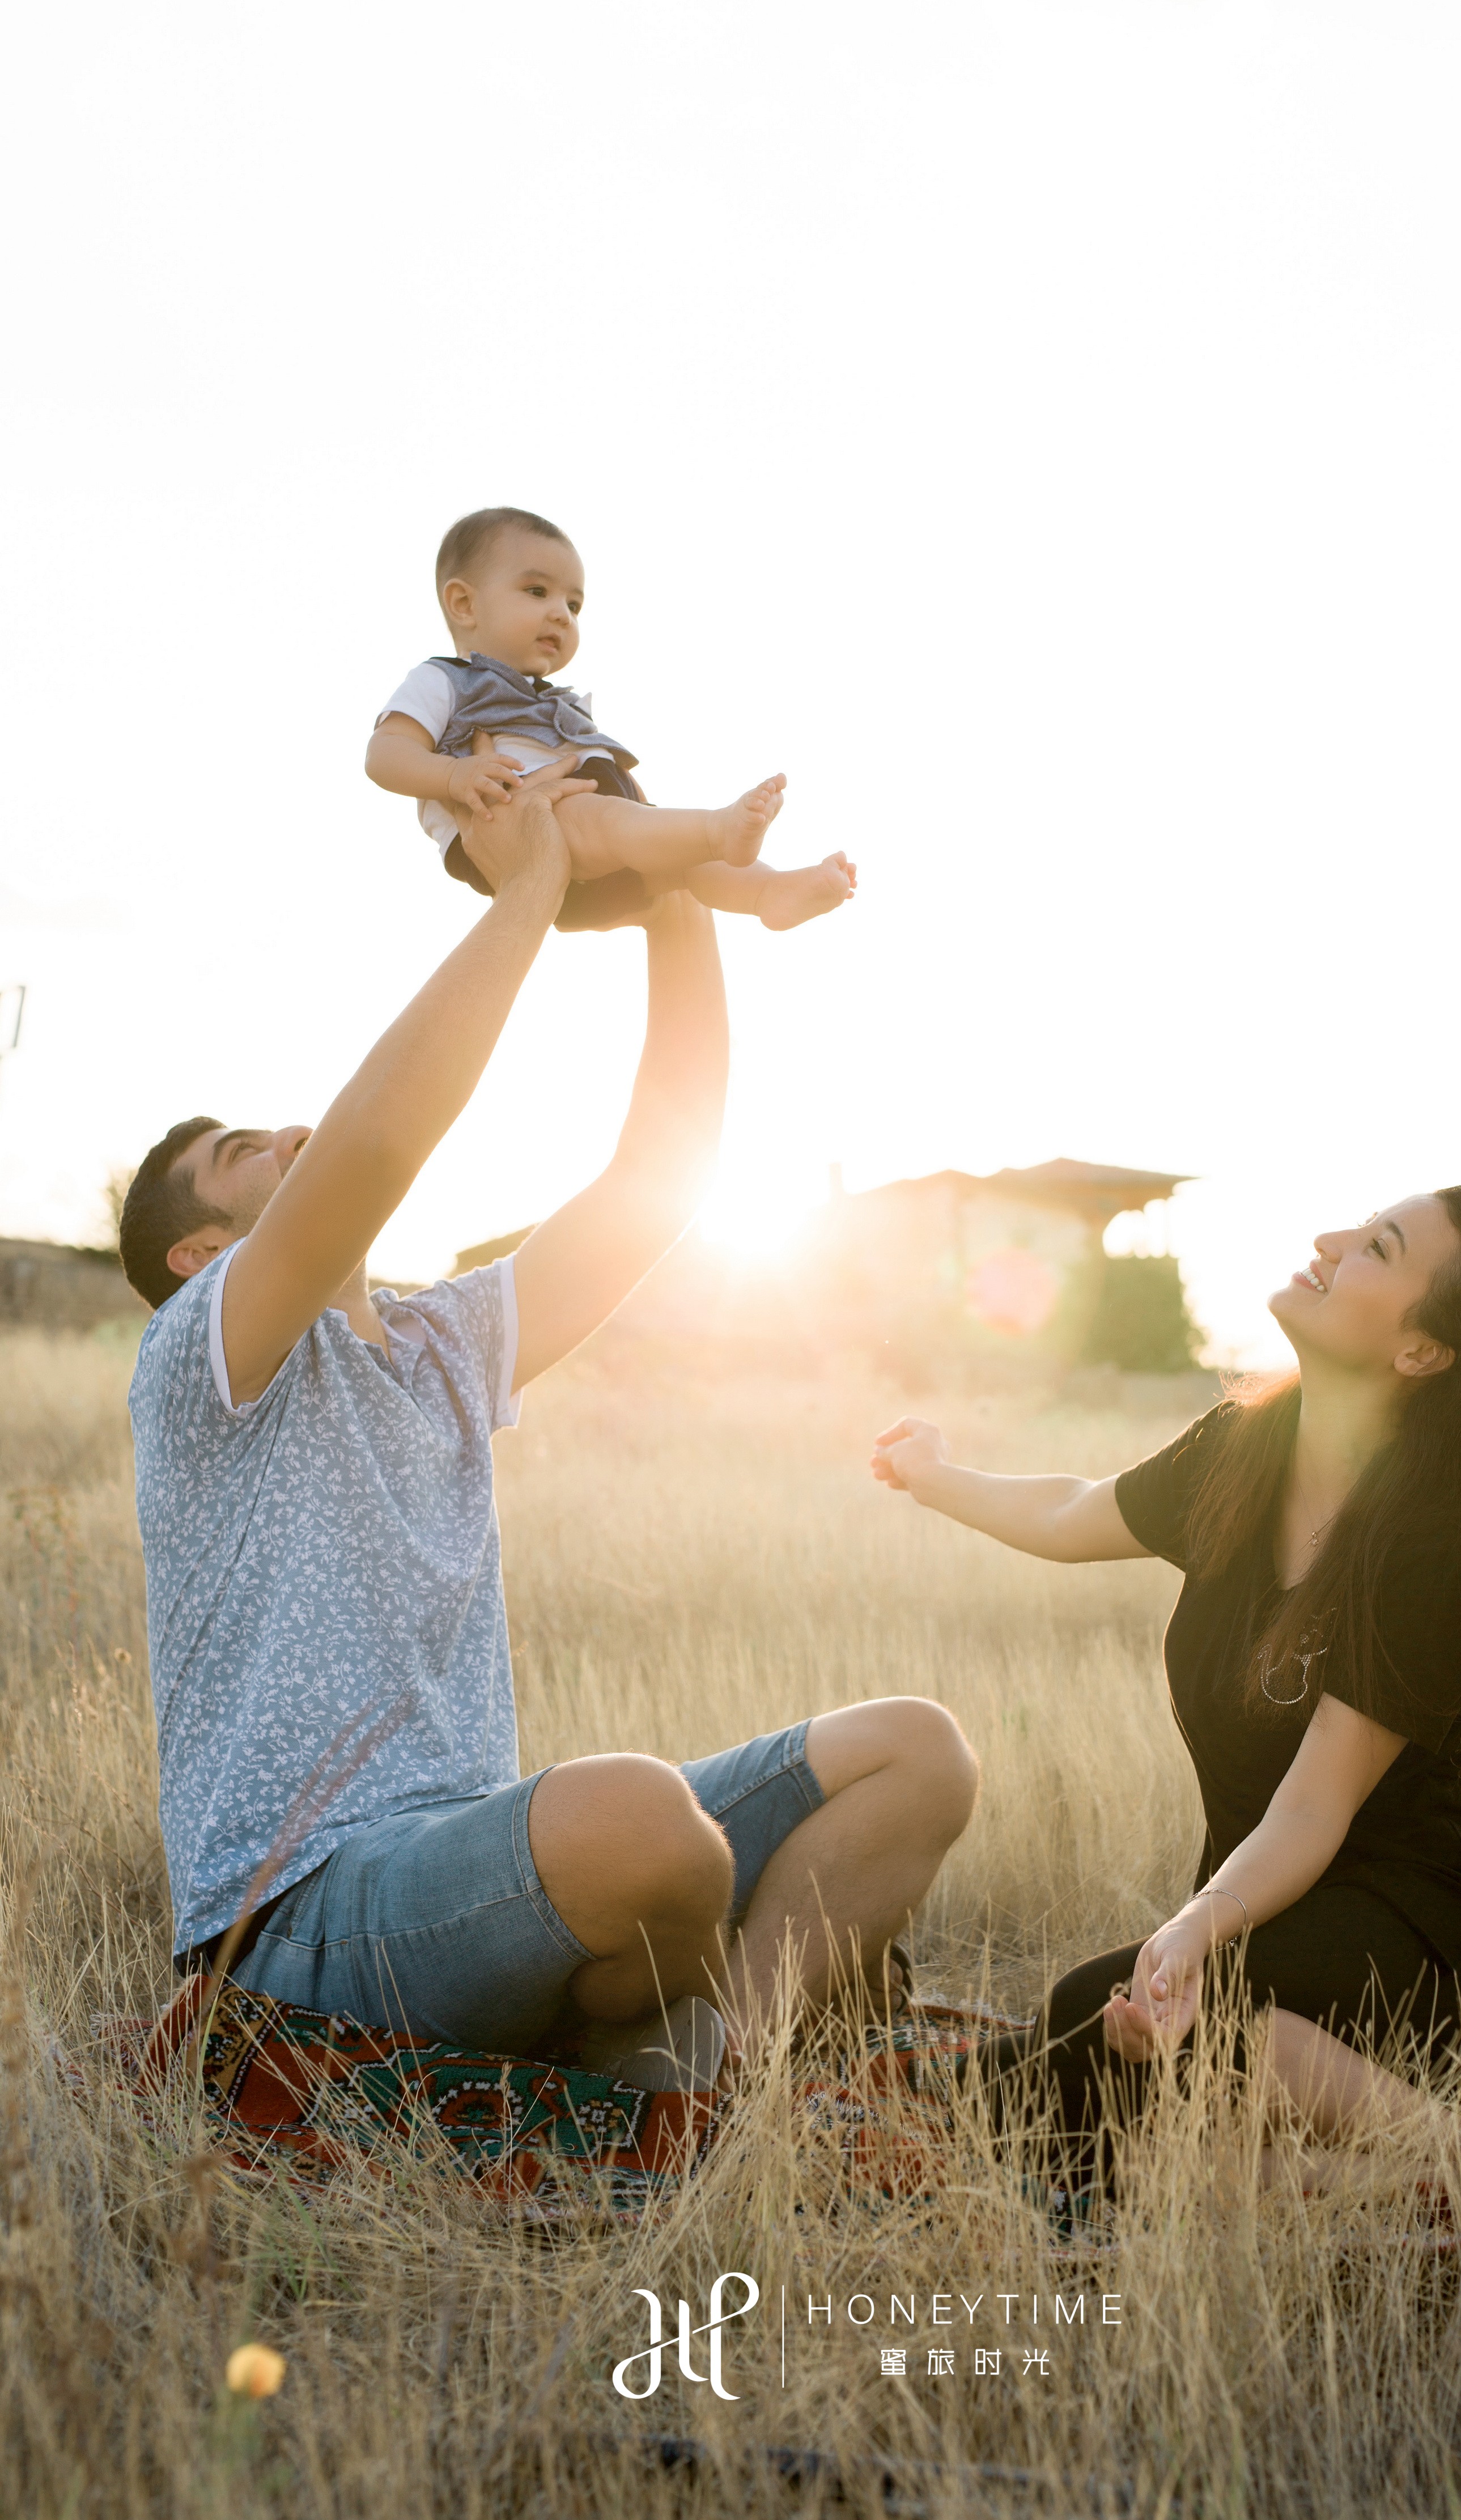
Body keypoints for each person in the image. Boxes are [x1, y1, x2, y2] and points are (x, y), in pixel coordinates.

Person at [120, 767, 974, 2088]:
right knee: (641, 1822)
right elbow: (378, 1136)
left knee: (916, 1749)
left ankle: (715, 2081)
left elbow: (659, 1177)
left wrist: (672, 891)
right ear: (198, 1250)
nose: (289, 1129)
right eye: (242, 1148)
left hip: (477, 1861)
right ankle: (681, 2022)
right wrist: (526, 882)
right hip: (297, 1915)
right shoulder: (200, 1359)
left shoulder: (440, 1344)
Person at [872, 1188, 1461, 2218]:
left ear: (1422, 1351)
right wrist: (933, 1474)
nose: (1329, 1243)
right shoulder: (1246, 1447)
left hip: (1423, 1930)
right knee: (1084, 2082)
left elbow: (1312, 1810)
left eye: (1377, 1247)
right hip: (1273, 1915)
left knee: (1097, 2024)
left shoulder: (1442, 1537)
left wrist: (1196, 1927)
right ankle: (1336, 2182)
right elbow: (1072, 1510)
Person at [367, 504, 857, 934]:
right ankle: (718, 830)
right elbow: (385, 755)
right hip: (525, 839)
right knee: (618, 822)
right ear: (465, 603)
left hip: (604, 852)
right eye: (537, 591)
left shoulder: (561, 701)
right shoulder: (446, 680)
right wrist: (453, 775)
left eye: (574, 604)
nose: (562, 613)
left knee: (684, 861)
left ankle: (768, 893)